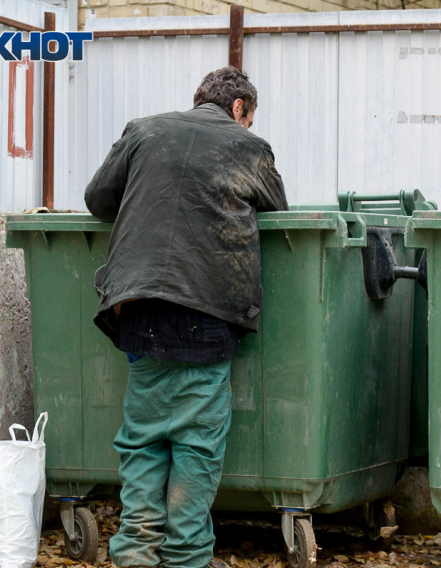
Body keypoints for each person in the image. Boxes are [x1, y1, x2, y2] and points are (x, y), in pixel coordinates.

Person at [84, 67, 289, 568]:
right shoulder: (250, 147)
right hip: (206, 314)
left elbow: (96, 200)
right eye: (248, 117)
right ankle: (186, 558)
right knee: (196, 445)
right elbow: (278, 208)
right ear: (240, 109)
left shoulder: (143, 130)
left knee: (144, 437)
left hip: (135, 308)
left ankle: (134, 551)